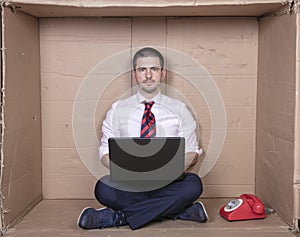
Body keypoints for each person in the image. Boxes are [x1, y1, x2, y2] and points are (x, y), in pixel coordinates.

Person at [77, 47, 208, 230]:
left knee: (193, 184)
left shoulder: (180, 110)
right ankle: (177, 211)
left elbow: (191, 153)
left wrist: (165, 172)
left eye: (154, 69)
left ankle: (119, 217)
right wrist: (132, 171)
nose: (148, 75)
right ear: (134, 75)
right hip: (130, 185)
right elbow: (105, 153)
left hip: (168, 184)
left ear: (162, 74)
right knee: (103, 187)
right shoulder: (117, 110)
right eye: (142, 70)